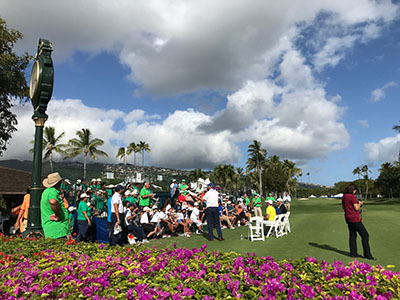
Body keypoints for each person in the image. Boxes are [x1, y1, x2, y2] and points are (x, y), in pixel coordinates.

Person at [342, 183, 375, 260]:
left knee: (353, 235)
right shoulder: (352, 197)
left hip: (348, 218)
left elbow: (343, 207)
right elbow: (356, 208)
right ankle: (367, 254)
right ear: (353, 190)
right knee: (365, 235)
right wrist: (359, 203)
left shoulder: (344, 196)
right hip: (354, 219)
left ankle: (353, 253)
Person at [40, 172, 70, 239]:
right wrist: (57, 214)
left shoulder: (46, 192)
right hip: (57, 229)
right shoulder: (53, 191)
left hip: (51, 229)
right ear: (58, 183)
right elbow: (53, 201)